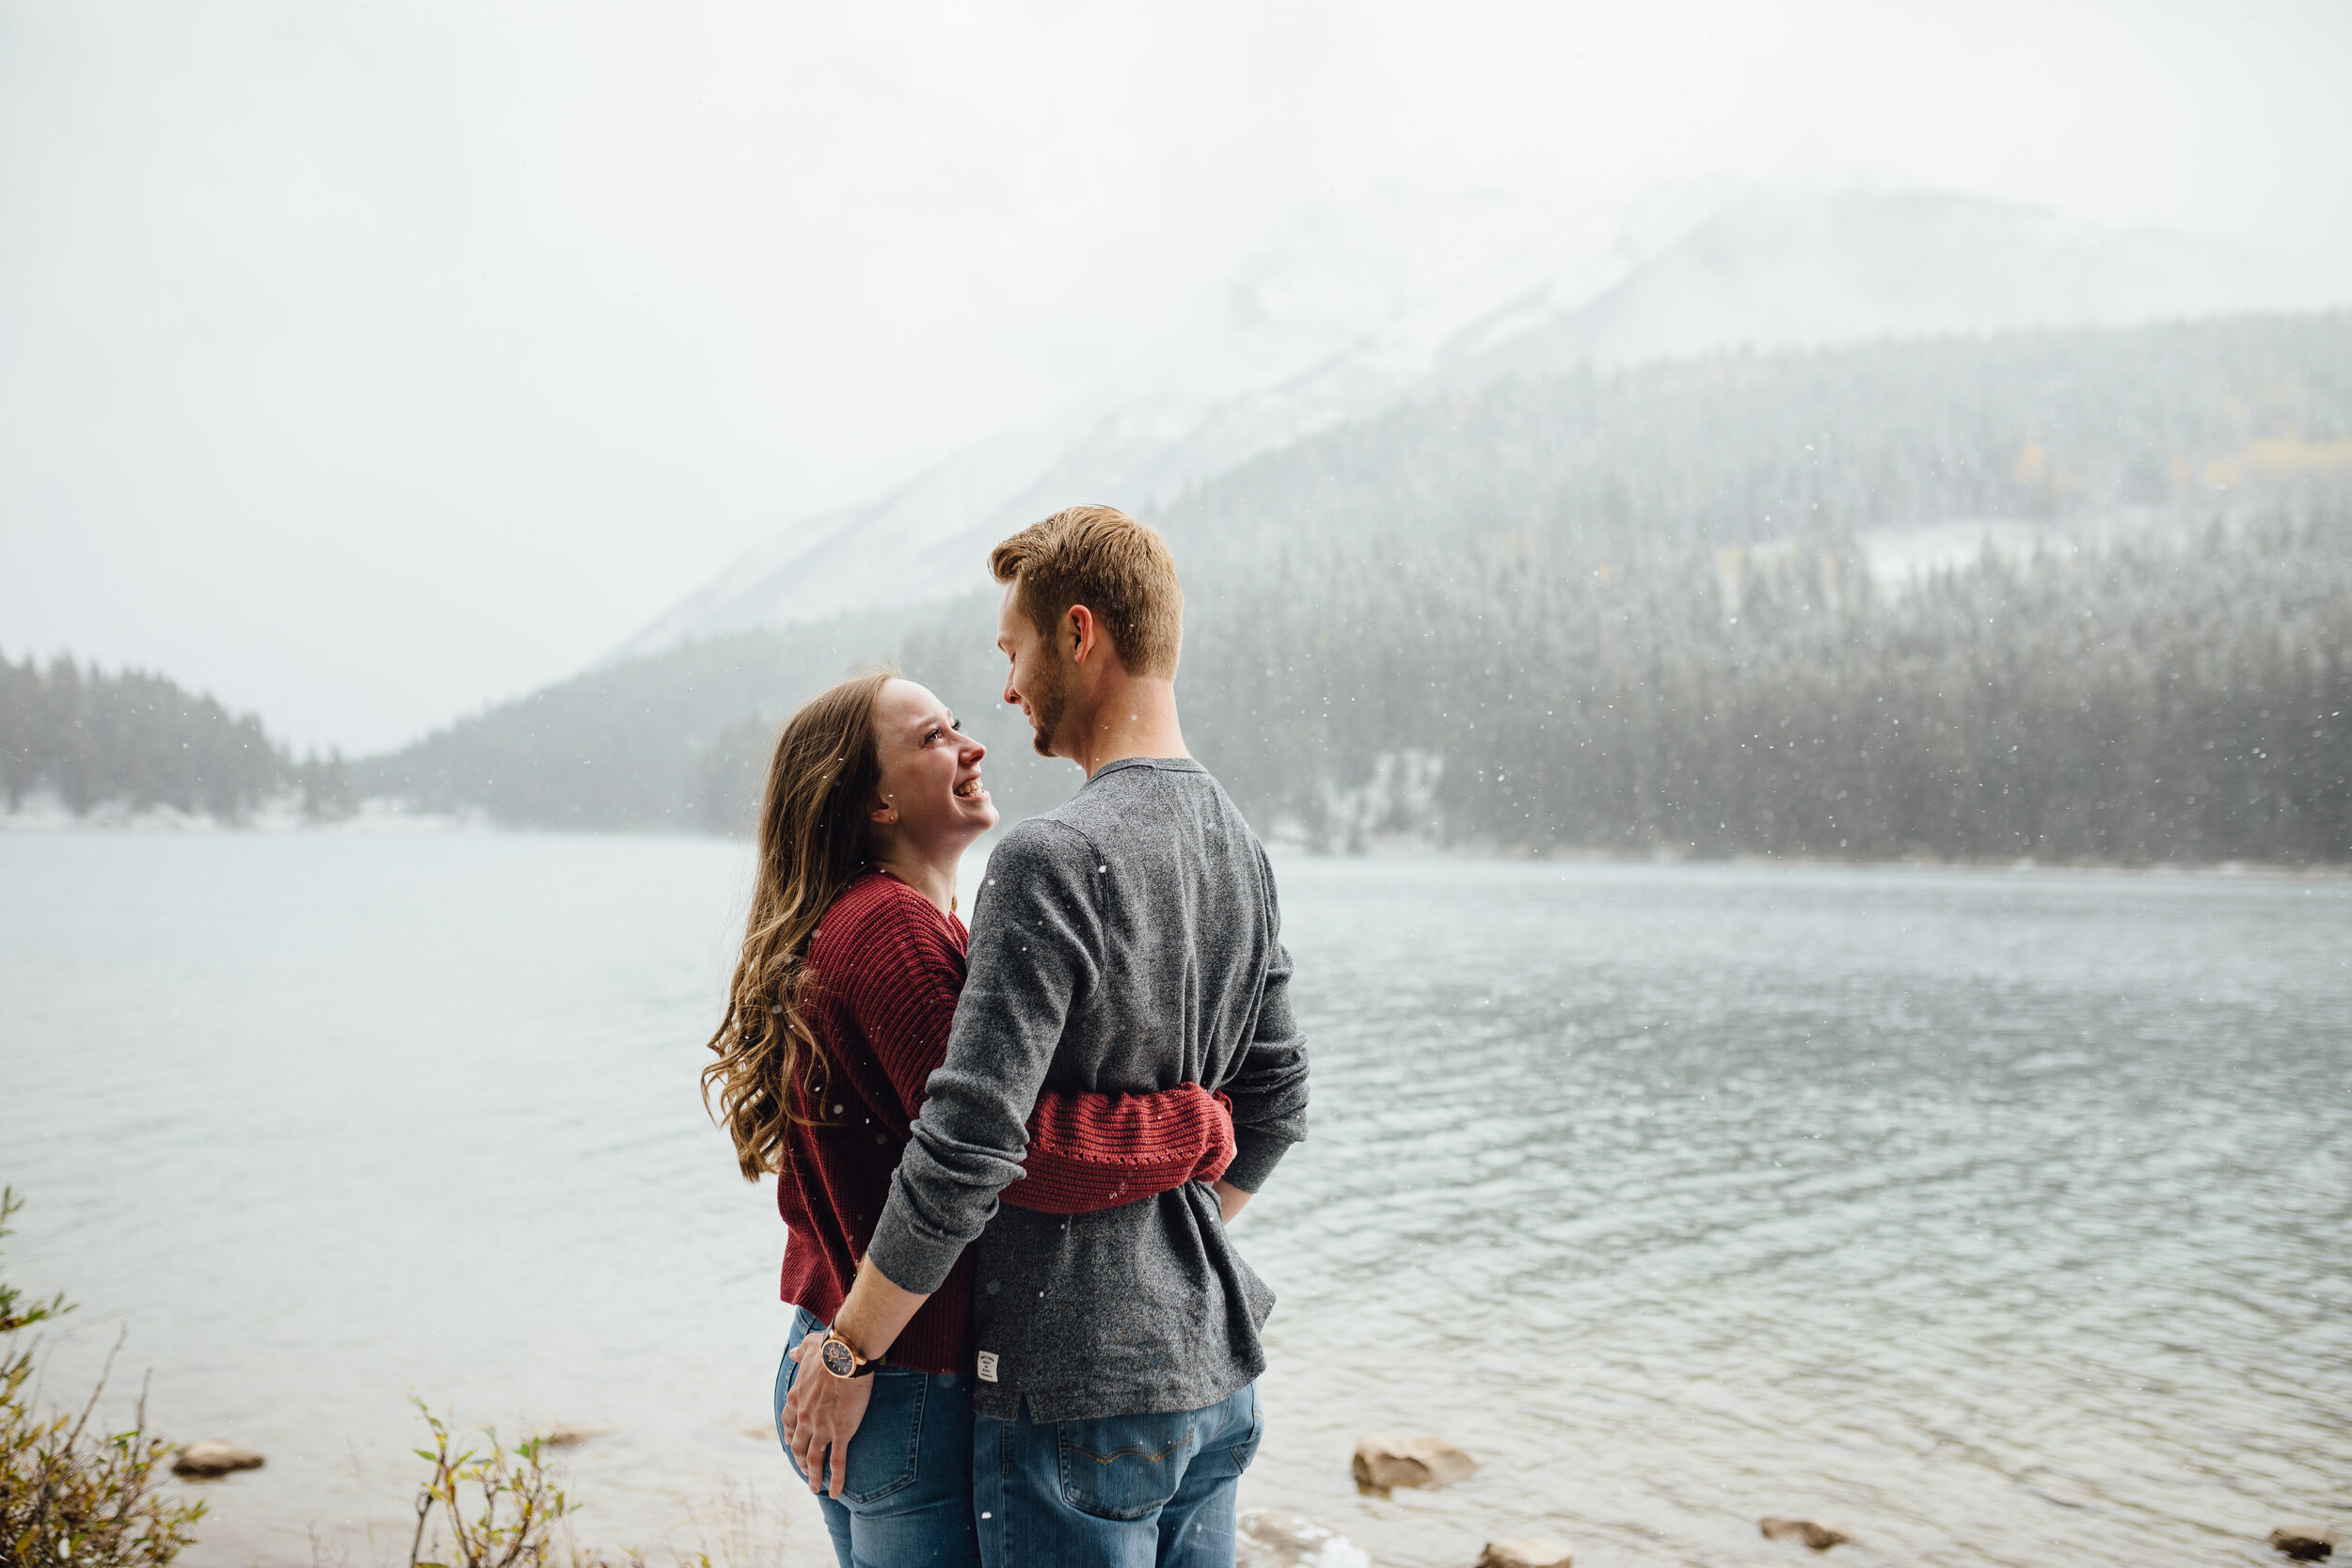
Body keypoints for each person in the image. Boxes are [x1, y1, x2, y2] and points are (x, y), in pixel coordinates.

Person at [783, 505, 1311, 1568]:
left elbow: (970, 1144)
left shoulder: (1049, 856)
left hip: (1077, 1398)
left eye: (1013, 651)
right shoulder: (1241, 849)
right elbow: (1280, 1098)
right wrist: (1173, 1232)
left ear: (1080, 634)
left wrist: (848, 1348)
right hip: (1211, 1376)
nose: (1009, 689)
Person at [704, 668, 1239, 1567]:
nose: (972, 742)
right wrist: (1199, 1127)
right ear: (871, 798)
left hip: (858, 1358)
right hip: (902, 1378)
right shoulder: (891, 932)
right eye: (931, 737)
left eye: (956, 723)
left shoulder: (896, 923)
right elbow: (1014, 1150)